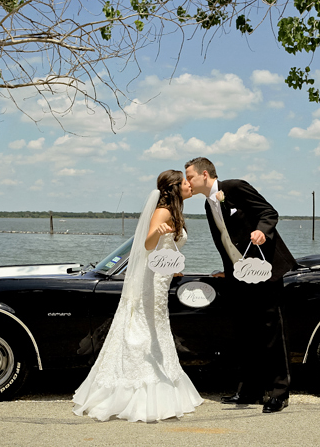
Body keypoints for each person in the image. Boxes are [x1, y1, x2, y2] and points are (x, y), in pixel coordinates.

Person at [72, 170, 202, 422]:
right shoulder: (163, 211)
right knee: (145, 330)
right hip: (152, 283)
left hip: (161, 279)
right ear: (175, 188)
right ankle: (139, 386)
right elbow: (147, 244)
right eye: (185, 182)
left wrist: (172, 266)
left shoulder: (174, 211)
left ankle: (161, 380)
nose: (189, 185)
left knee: (157, 329)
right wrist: (158, 231)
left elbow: (164, 249)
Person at [184, 157, 298, 414]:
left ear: (205, 174)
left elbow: (269, 212)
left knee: (272, 332)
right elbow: (225, 239)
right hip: (239, 276)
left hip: (265, 270)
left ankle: (279, 393)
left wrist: (262, 231)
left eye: (190, 176)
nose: (188, 182)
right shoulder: (207, 204)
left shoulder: (234, 187)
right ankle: (250, 391)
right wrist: (227, 271)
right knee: (246, 334)